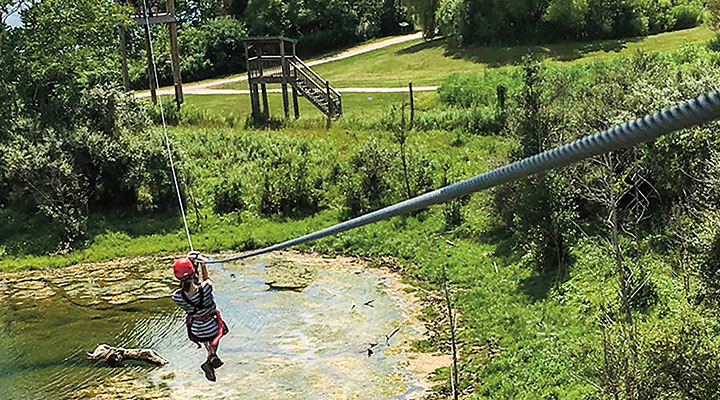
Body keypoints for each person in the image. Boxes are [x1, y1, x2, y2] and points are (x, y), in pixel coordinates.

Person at [172, 251, 228, 382]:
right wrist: (202, 265)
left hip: (196, 330)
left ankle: (211, 358)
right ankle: (212, 355)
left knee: (206, 336)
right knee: (215, 332)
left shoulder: (177, 297)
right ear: (193, 274)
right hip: (211, 326)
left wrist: (189, 262)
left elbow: (186, 286)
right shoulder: (206, 288)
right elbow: (207, 280)